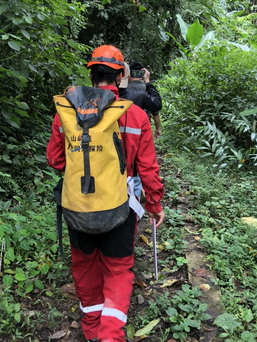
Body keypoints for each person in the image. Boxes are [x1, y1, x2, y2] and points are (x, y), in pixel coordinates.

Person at [46, 45, 165, 342]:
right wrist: (154, 204)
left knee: (85, 266)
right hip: (119, 205)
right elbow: (148, 168)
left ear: (91, 73)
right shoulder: (135, 115)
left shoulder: (68, 112)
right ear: (121, 75)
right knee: (118, 268)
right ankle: (111, 335)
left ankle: (91, 329)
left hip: (77, 205)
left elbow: (56, 160)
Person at [119, 61, 162, 138]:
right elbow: (155, 112)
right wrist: (158, 128)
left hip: (123, 128)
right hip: (143, 128)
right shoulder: (148, 89)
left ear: (129, 74)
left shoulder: (123, 89)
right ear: (144, 74)